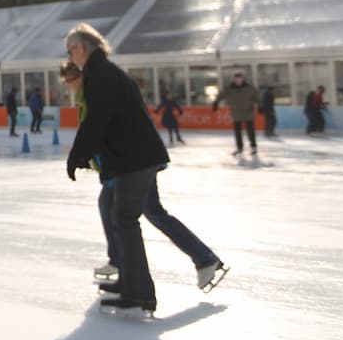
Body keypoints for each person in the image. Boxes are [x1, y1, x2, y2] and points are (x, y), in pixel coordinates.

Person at [64, 61, 225, 293]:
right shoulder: (89, 95)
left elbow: (101, 129)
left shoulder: (95, 92)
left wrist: (94, 162)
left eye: (70, 80)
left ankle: (198, 259)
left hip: (133, 162)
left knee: (125, 209)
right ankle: (203, 258)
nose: (68, 86)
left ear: (79, 78)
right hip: (133, 161)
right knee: (146, 210)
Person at [65, 23, 169, 314]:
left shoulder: (100, 75)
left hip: (135, 159)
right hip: (132, 158)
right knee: (119, 218)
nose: (69, 56)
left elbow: (97, 120)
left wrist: (77, 155)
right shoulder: (102, 71)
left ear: (83, 47)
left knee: (124, 220)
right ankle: (130, 283)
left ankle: (139, 292)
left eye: (71, 50)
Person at [213, 71, 260, 156]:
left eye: (240, 79)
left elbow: (256, 97)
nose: (238, 81)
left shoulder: (249, 88)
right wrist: (216, 103)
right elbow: (221, 95)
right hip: (236, 113)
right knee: (237, 132)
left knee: (250, 131)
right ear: (234, 80)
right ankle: (239, 148)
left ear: (243, 79)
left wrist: (261, 106)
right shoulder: (229, 89)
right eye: (236, 79)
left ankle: (253, 147)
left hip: (248, 112)